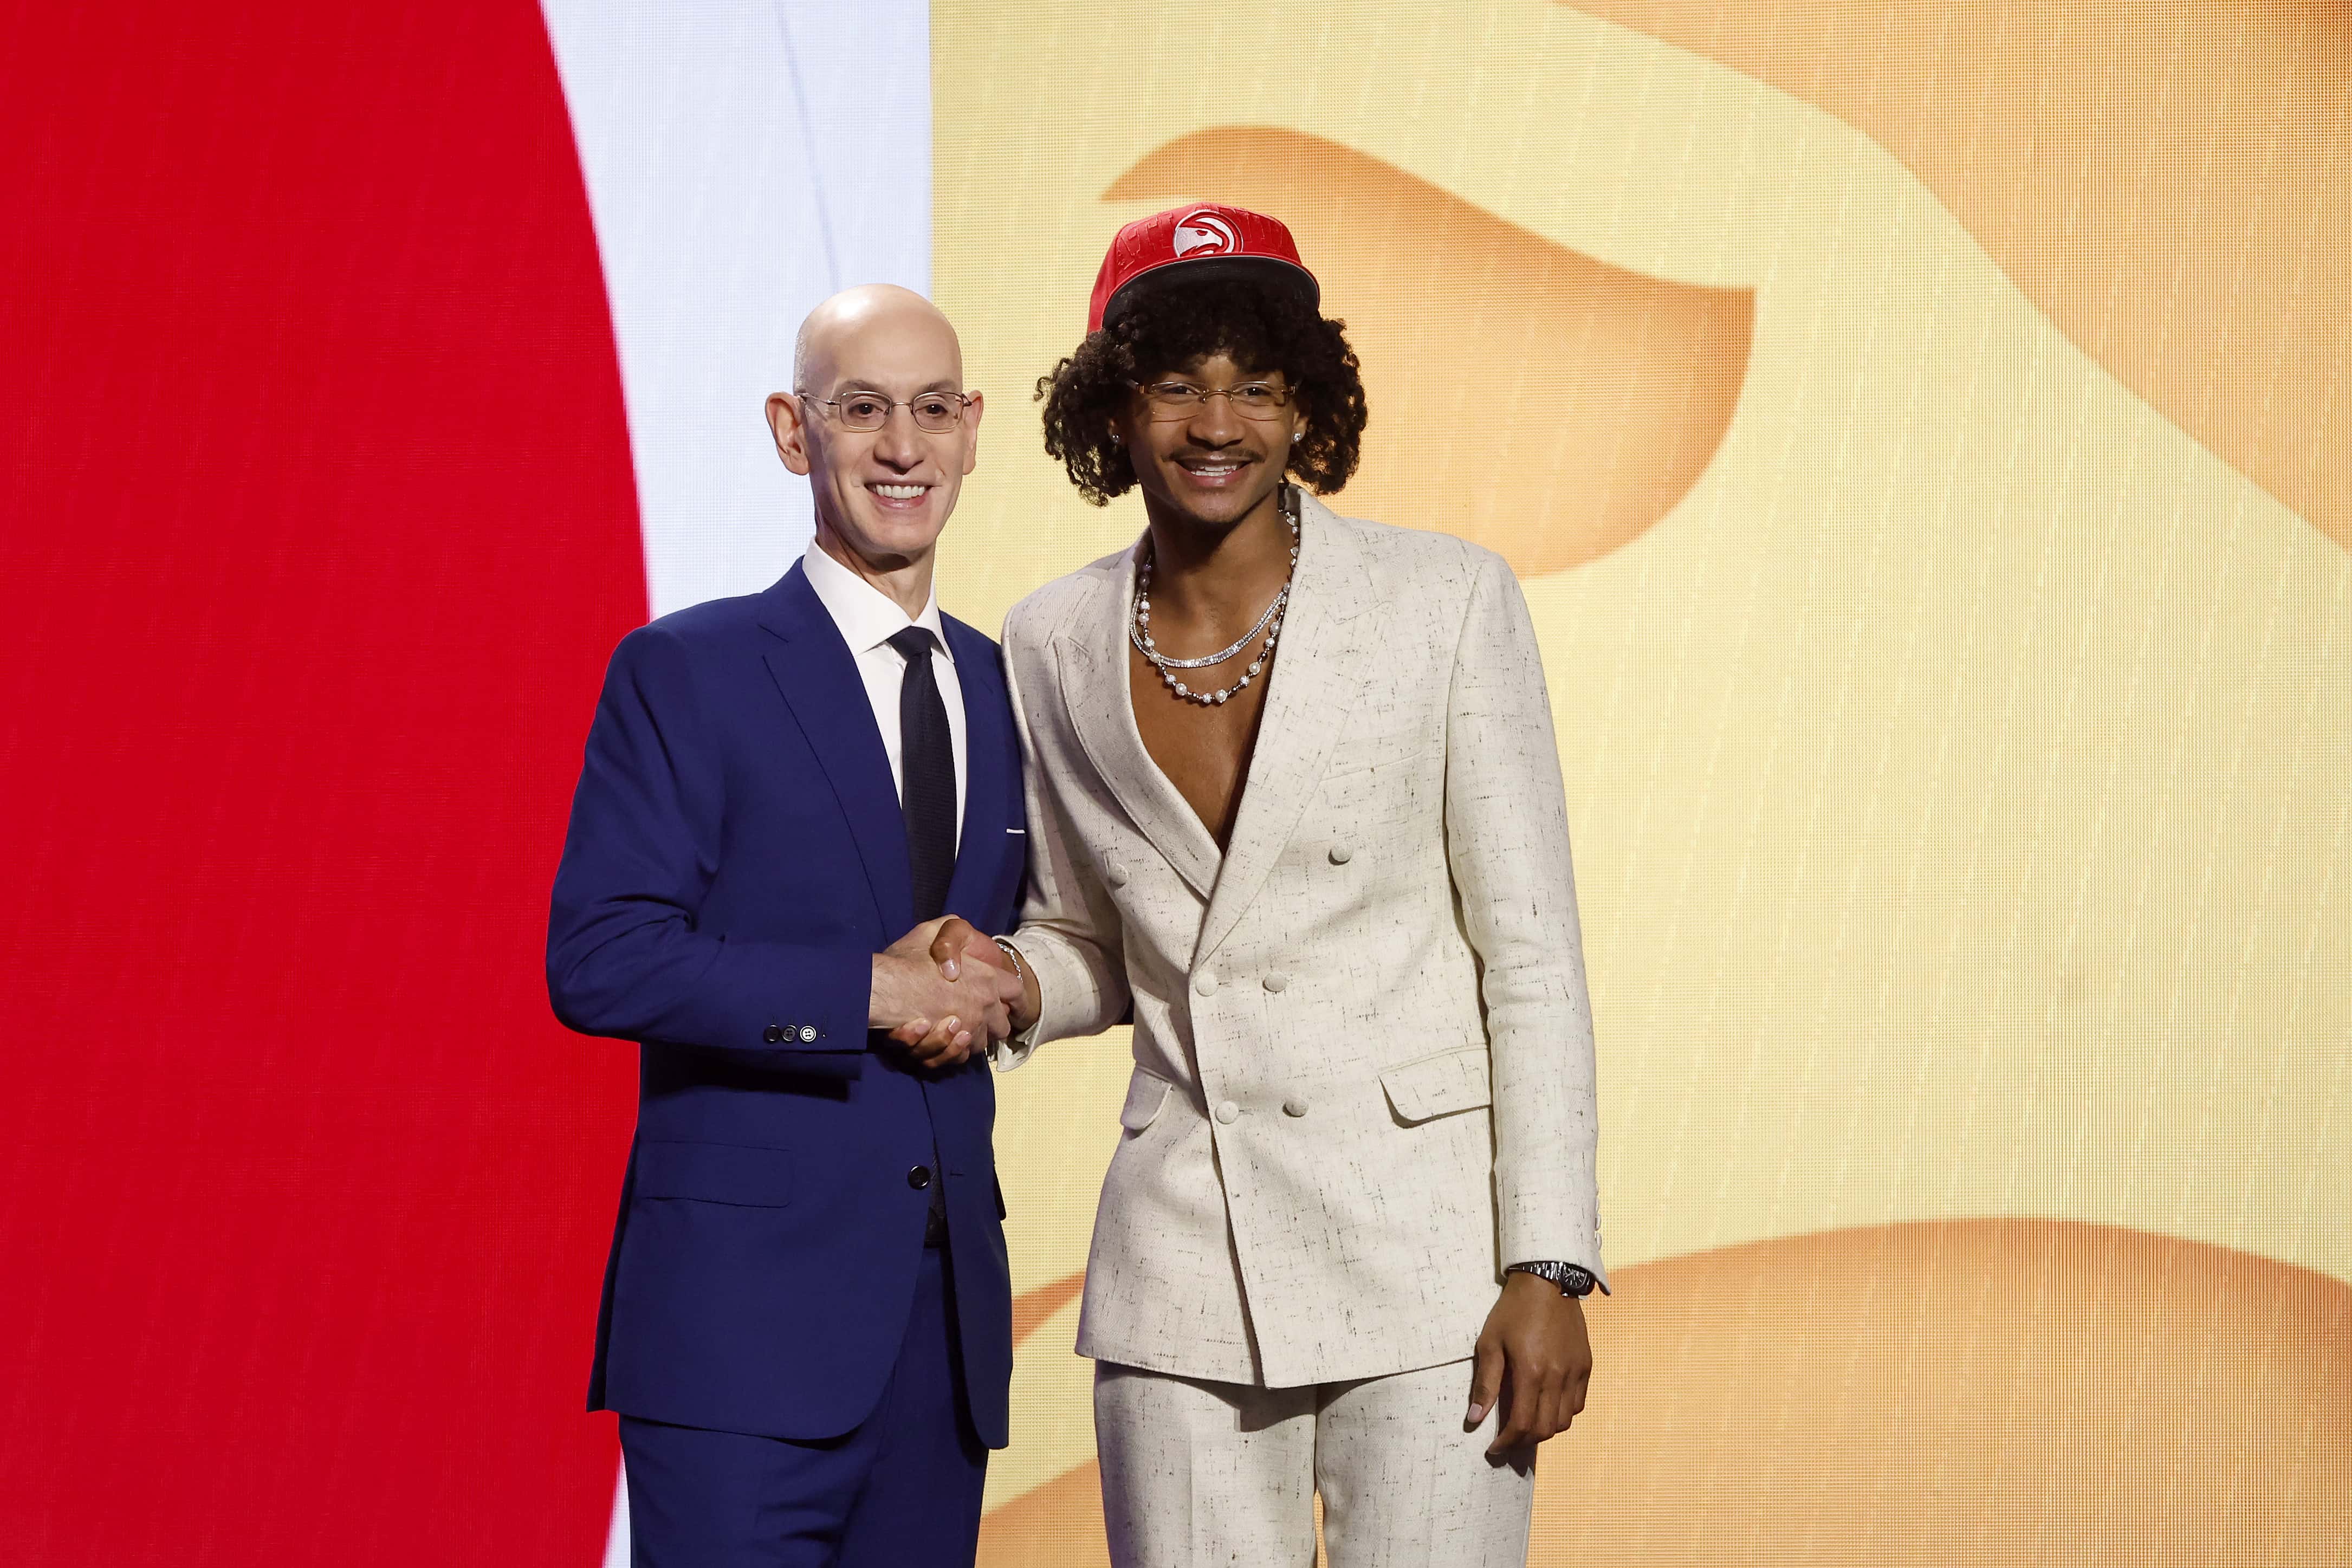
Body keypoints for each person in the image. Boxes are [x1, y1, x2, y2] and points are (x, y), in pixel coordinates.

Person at [929, 205, 1609, 1565]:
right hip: (1179, 1265)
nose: (1214, 420)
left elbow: (1529, 956)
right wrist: (1010, 979)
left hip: (1428, 1260)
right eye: (1175, 381)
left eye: (1255, 381)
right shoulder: (1047, 637)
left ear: (1308, 405)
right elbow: (1089, 931)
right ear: (1112, 410)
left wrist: (1547, 1261)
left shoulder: (1446, 599)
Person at [547, 283, 1026, 1568]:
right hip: (737, 1346)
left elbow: (1023, 941)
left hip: (942, 1350)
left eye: (932, 409)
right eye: (860, 409)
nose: (901, 447)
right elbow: (599, 957)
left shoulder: (1006, 681)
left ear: (973, 429)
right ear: (789, 429)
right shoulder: (685, 670)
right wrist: (860, 993)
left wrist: (1010, 984)